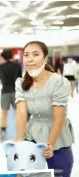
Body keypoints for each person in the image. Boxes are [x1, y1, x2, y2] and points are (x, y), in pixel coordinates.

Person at [15, 41, 74, 177]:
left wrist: (50, 145)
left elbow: (59, 118)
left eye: (35, 54)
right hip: (32, 137)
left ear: (45, 58)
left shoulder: (59, 82)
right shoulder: (21, 82)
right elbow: (21, 114)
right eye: (26, 55)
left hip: (58, 140)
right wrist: (19, 141)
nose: (30, 59)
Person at [0, 49, 22, 142]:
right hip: (16, 92)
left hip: (5, 91)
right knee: (18, 113)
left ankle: (2, 135)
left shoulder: (1, 66)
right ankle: (20, 133)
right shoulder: (17, 66)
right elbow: (20, 78)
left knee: (4, 113)